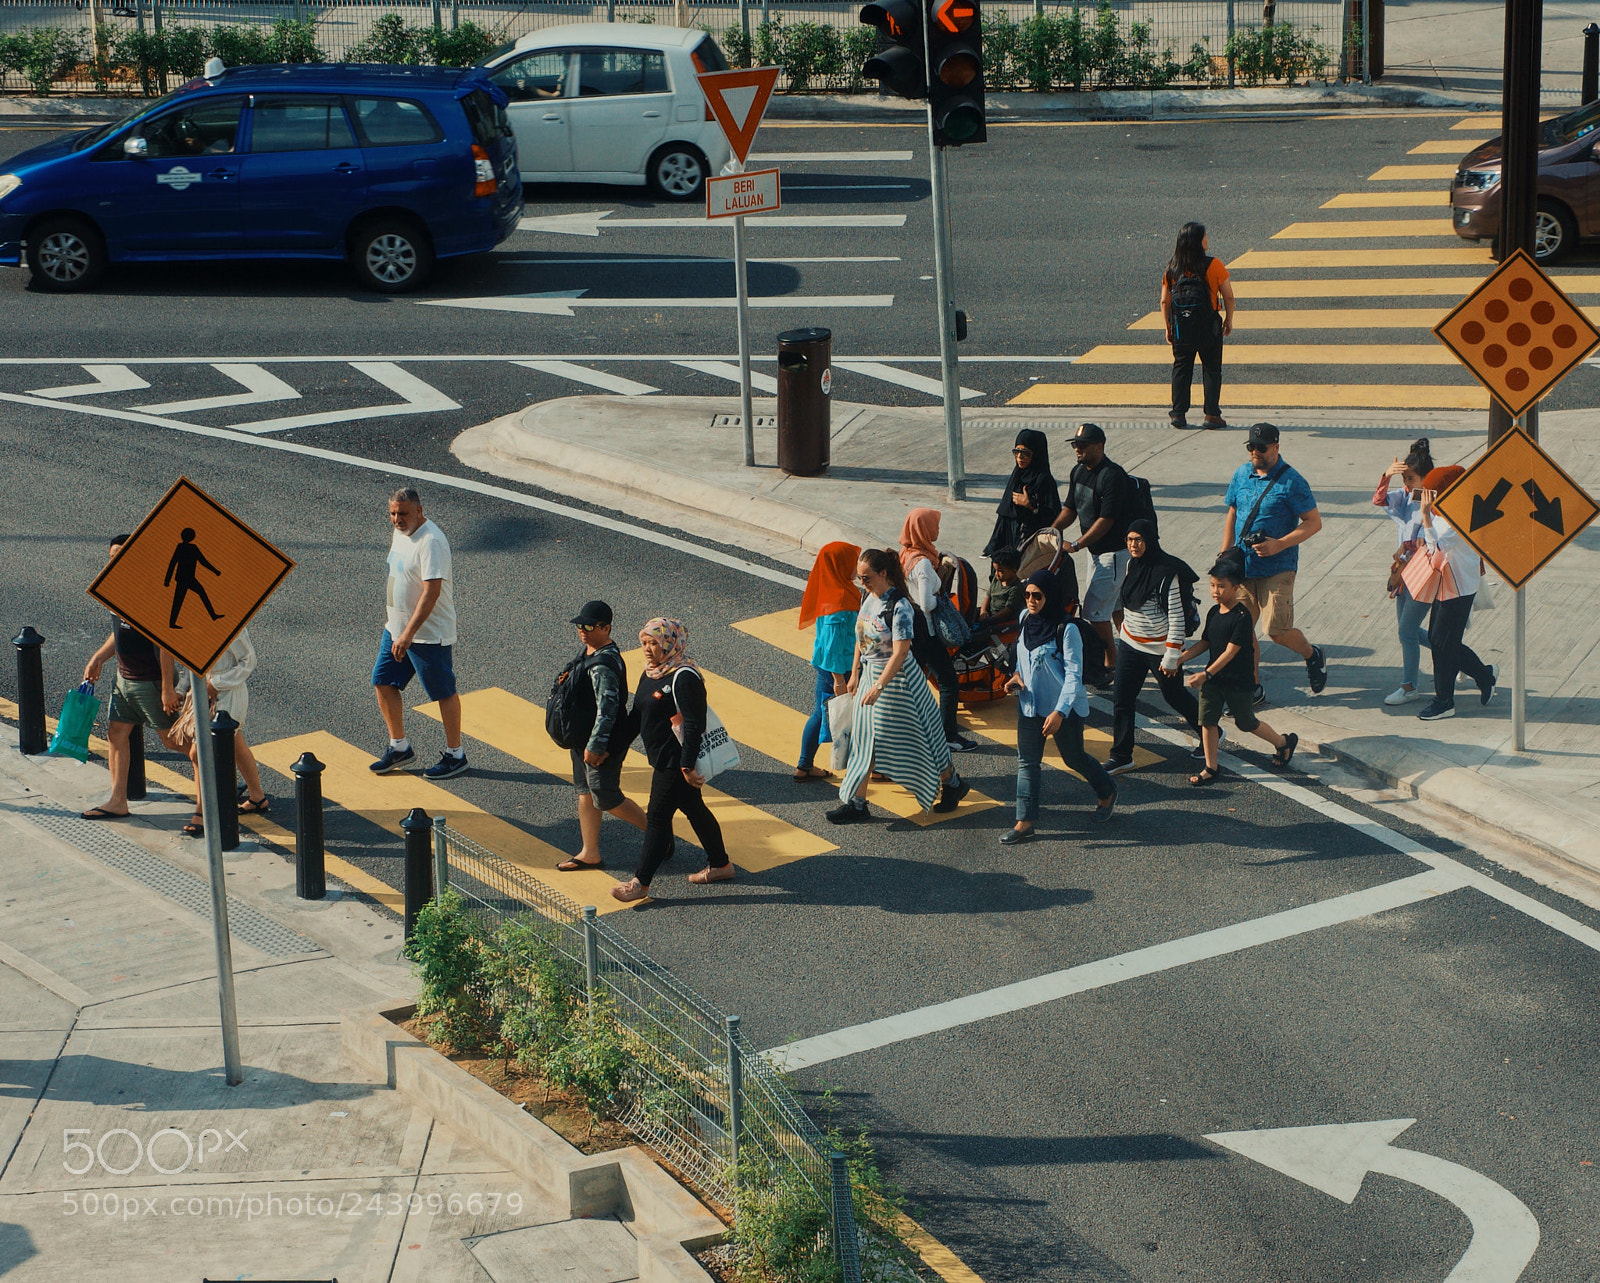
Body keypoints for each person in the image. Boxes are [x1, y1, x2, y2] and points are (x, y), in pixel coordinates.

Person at [829, 549, 968, 823]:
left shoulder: (901, 606)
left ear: (883, 574)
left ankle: (951, 783)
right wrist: (856, 672)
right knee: (864, 740)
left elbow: (900, 653)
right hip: (871, 679)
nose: (862, 583)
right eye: (859, 578)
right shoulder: (868, 597)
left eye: (866, 578)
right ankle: (856, 803)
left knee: (923, 737)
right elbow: (861, 636)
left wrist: (879, 686)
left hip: (900, 684)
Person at [610, 619, 732, 903]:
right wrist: (612, 747)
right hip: (662, 757)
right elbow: (637, 716)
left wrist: (687, 766)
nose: (648, 649)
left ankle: (640, 883)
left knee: (657, 817)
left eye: (654, 643)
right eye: (644, 643)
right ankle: (721, 865)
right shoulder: (651, 673)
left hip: (675, 761)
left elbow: (694, 724)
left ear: (670, 643)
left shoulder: (684, 676)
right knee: (694, 808)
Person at [1000, 569, 1116, 844]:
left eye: (1037, 596)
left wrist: (1060, 712)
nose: (1031, 600)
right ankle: (1024, 822)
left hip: (1063, 709)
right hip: (1030, 705)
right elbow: (1021, 655)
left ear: (1049, 596)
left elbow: (1074, 676)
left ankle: (1107, 791)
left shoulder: (1068, 629)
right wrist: (1015, 677)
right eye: (1027, 595)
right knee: (1027, 763)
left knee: (1073, 758)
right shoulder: (1026, 619)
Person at [1221, 423, 1327, 704]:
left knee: (1276, 631)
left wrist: (1279, 544)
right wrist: (1225, 553)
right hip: (1242, 566)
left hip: (1277, 567)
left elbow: (1313, 523)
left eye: (1261, 447)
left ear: (1276, 447)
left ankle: (1311, 654)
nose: (1255, 452)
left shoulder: (1293, 482)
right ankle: (1252, 687)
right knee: (1241, 630)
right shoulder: (1241, 474)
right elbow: (1233, 511)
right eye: (1251, 447)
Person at [370, 488, 467, 780]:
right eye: (393, 514)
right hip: (397, 631)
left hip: (426, 635)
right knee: (383, 682)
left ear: (419, 511)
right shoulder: (401, 533)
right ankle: (399, 747)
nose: (397, 519)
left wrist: (409, 633)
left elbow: (432, 591)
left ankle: (456, 755)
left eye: (403, 514)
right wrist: (398, 629)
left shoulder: (432, 541)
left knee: (442, 692)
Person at [80, 534, 180, 820]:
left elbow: (163, 643)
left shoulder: (149, 592)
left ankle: (212, 796)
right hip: (124, 678)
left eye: (122, 556)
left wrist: (167, 688)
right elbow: (120, 631)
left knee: (175, 742)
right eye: (112, 557)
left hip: (150, 680)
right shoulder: (116, 589)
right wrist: (99, 658)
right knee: (116, 734)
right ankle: (117, 800)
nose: (116, 562)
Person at [1179, 562, 1298, 785]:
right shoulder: (1214, 611)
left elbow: (1230, 652)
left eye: (1221, 586)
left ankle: (1283, 742)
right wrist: (1182, 658)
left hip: (1237, 681)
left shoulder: (1242, 617)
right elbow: (1206, 642)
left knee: (1246, 722)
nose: (1215, 591)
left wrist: (1206, 673)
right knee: (1207, 720)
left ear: (1236, 588)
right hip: (1214, 680)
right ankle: (1211, 767)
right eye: (1213, 585)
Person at [555, 601, 650, 871]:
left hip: (601, 743)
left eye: (589, 626)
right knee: (585, 791)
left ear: (606, 628)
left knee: (606, 796)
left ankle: (658, 834)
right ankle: (590, 852)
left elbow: (608, 709)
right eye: (579, 626)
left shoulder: (603, 664)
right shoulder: (589, 651)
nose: (582, 631)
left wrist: (596, 746)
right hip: (582, 739)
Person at [1107, 520, 1203, 774]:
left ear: (1149, 540)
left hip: (1160, 650)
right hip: (1129, 643)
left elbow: (1176, 614)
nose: (1133, 545)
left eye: (1138, 539)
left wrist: (1173, 654)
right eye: (1129, 540)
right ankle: (1121, 755)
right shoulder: (1131, 564)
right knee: (1122, 699)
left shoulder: (1166, 573)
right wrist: (1124, 632)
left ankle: (1210, 732)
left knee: (1175, 696)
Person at [1416, 467, 1498, 722]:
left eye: (1430, 492)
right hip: (1446, 582)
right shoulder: (1445, 511)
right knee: (1438, 639)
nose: (1427, 498)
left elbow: (1438, 545)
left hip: (1460, 587)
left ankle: (1444, 701)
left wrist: (1426, 517)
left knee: (1442, 644)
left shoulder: (1461, 514)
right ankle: (1485, 675)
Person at [1051, 423, 1130, 676]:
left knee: (1094, 612)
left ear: (1099, 446)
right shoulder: (1078, 472)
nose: (1077, 449)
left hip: (1114, 554)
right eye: (1075, 445)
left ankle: (1111, 664)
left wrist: (1076, 544)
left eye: (1083, 445)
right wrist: (1051, 532)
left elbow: (1106, 520)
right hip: (1094, 553)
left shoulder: (1113, 475)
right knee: (1115, 609)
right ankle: (1129, 657)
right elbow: (1070, 509)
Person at [176, 627, 271, 837]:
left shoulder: (230, 624)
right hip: (202, 690)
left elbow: (248, 661)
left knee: (197, 753)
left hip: (229, 693)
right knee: (236, 744)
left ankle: (203, 811)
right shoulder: (189, 625)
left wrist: (216, 684)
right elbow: (190, 666)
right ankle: (257, 797)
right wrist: (181, 689)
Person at [899, 508, 976, 753]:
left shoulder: (906, 554)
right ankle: (949, 736)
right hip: (927, 630)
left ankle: (911, 730)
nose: (938, 530)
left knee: (915, 681)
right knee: (948, 682)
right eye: (934, 525)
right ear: (924, 529)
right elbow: (925, 602)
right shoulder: (922, 563)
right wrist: (937, 596)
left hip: (913, 629)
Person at [1373, 437, 1435, 706]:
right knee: (1407, 631)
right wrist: (1386, 475)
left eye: (1411, 479)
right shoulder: (1407, 496)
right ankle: (1463, 661)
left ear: (1425, 478)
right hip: (1405, 573)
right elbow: (1379, 499)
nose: (1406, 485)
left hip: (1423, 573)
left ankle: (1410, 687)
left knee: (1406, 632)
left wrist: (1405, 545)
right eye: (1404, 479)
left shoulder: (1433, 500)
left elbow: (1426, 541)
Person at [796, 541, 861, 782]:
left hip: (831, 664)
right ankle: (805, 765)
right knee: (827, 714)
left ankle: (804, 765)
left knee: (821, 713)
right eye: (853, 561)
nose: (858, 566)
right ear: (840, 565)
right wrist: (840, 681)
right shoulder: (841, 599)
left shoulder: (832, 587)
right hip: (838, 669)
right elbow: (834, 646)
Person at [1160, 221, 1235, 430]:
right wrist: (1229, 319)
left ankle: (1178, 414)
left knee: (1181, 368)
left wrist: (1168, 326)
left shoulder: (1172, 268)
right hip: (1208, 327)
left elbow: (1165, 301)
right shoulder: (1213, 265)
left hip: (1181, 328)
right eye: (1205, 236)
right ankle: (1212, 415)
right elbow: (1228, 296)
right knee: (1212, 369)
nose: (1207, 239)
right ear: (1198, 241)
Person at [983, 429, 1062, 559]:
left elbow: (1054, 520)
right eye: (1017, 452)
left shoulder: (1045, 481)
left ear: (1036, 454)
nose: (1020, 457)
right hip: (1010, 540)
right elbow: (1004, 516)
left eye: (1025, 453)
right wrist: (993, 545)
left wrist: (1031, 506)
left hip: (1032, 546)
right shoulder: (1017, 476)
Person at [962, 546, 1025, 651]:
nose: (996, 574)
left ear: (1014, 571)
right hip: (989, 613)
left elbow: (1008, 610)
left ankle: (971, 648)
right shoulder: (996, 581)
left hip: (1002, 619)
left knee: (980, 632)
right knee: (968, 615)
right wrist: (983, 611)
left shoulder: (1016, 588)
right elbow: (988, 596)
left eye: (1000, 571)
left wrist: (990, 619)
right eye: (995, 570)